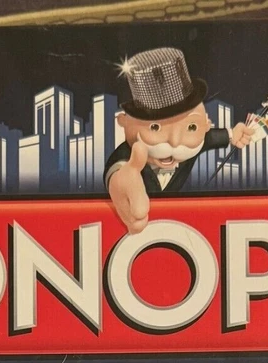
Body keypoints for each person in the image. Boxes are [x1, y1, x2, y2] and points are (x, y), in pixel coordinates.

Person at [105, 47, 253, 233]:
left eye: (191, 127)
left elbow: (209, 138)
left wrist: (232, 134)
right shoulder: (127, 154)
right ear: (124, 123)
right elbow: (119, 170)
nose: (175, 142)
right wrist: (118, 181)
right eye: (155, 127)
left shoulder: (197, 142)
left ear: (206, 124)